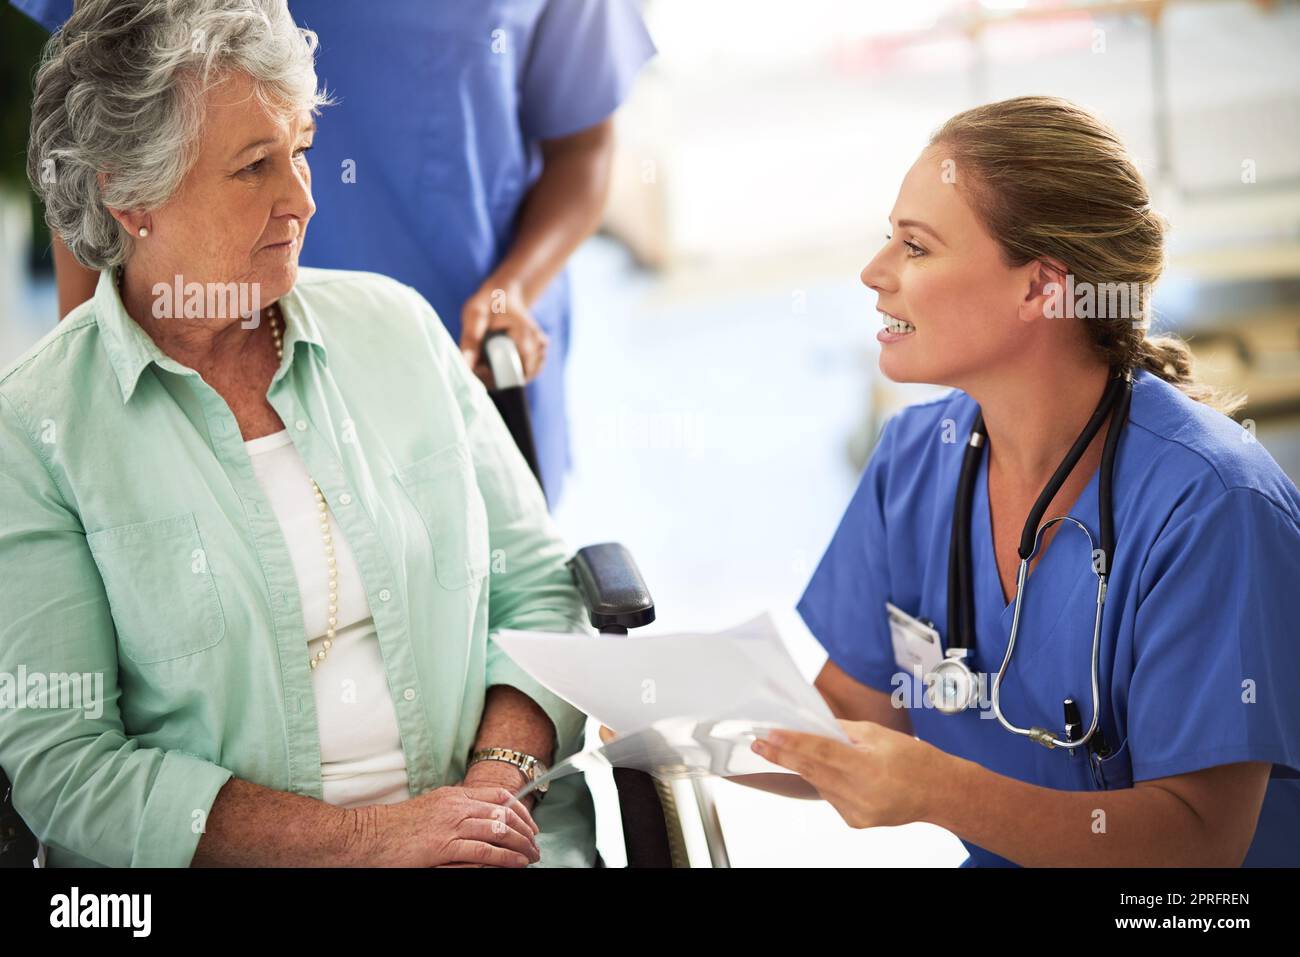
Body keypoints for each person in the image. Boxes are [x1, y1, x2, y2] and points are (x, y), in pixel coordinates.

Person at [0, 0, 597, 867]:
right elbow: (67, 765)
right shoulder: (36, 431)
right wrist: (374, 841)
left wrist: (487, 796)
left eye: (302, 152)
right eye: (254, 168)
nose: (304, 200)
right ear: (128, 195)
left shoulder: (397, 329)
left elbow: (542, 594)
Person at [750, 97, 1300, 866]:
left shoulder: (1212, 504)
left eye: (916, 247)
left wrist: (941, 789)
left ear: (1042, 287)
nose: (874, 274)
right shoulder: (916, 458)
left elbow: (1197, 842)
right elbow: (855, 710)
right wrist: (685, 725)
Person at [11, 0, 658, 506]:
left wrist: (513, 289)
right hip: (209, 381)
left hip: (469, 369)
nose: (302, 201)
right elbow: (96, 135)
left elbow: (583, 149)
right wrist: (94, 395)